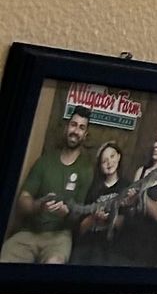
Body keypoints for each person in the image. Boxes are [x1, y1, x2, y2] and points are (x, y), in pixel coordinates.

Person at [2, 108, 92, 266]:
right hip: (29, 232)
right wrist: (38, 205)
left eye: (81, 127)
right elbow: (23, 199)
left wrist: (66, 213)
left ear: (85, 135)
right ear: (66, 128)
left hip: (59, 236)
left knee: (53, 265)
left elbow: (79, 214)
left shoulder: (86, 169)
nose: (76, 131)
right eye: (73, 124)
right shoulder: (44, 161)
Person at [114, 125, 157, 267]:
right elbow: (130, 206)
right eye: (156, 140)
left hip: (147, 242)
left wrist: (140, 195)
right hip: (129, 234)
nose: (156, 145)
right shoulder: (141, 171)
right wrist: (126, 202)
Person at [73, 142, 125, 248]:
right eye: (104, 161)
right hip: (91, 242)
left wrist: (110, 218)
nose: (109, 162)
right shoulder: (93, 188)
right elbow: (81, 227)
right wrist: (94, 218)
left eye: (112, 156)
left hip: (113, 245)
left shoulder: (126, 187)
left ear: (119, 157)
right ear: (100, 166)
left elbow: (127, 225)